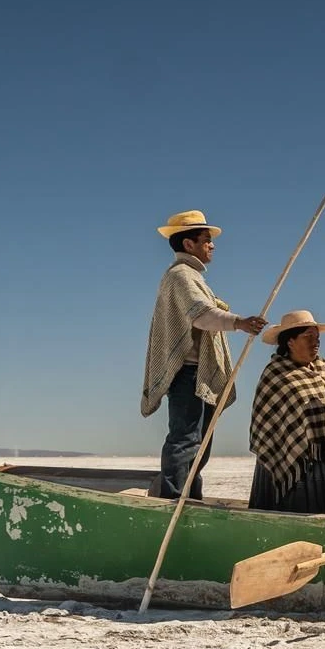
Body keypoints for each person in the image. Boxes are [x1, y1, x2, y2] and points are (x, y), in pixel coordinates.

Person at [140, 210, 265, 499]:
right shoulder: (181, 276)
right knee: (186, 441)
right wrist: (239, 323)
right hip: (189, 373)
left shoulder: (192, 277)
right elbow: (201, 315)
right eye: (206, 240)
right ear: (188, 244)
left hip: (197, 374)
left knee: (199, 444)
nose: (212, 245)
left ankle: (189, 499)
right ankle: (174, 500)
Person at [247, 310, 325, 513]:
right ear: (290, 342)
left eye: (317, 337)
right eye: (308, 336)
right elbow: (267, 424)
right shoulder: (275, 374)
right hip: (294, 461)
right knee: (299, 508)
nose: (315, 342)